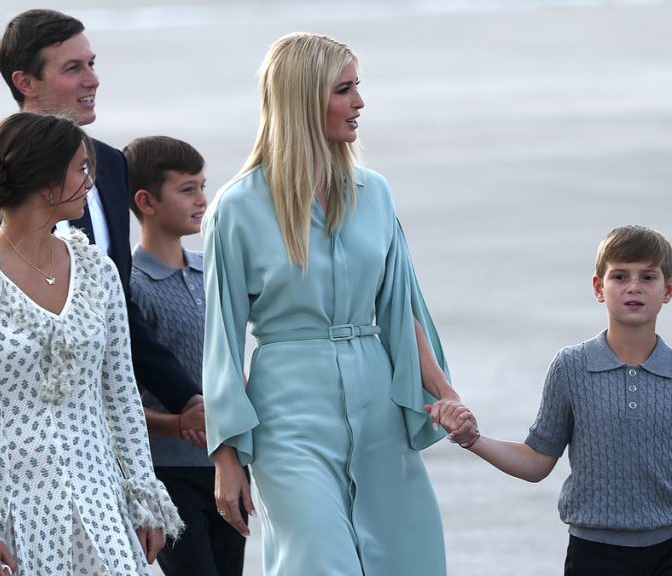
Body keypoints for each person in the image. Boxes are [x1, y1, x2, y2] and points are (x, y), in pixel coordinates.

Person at [202, 32, 472, 575]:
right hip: (287, 412)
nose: (360, 103)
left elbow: (402, 312)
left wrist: (446, 395)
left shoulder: (376, 194)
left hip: (378, 407)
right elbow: (222, 342)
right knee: (317, 561)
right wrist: (227, 457)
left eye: (358, 88)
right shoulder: (236, 208)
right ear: (304, 101)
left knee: (405, 560)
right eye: (344, 90)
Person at [0, 112, 184, 576]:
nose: (91, 182)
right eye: (81, 169)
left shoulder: (97, 271)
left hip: (100, 503)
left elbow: (121, 393)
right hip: (14, 511)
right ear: (48, 183)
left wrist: (142, 493)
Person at [0, 8, 202, 417]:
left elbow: (117, 305)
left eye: (91, 64)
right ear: (26, 82)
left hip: (110, 415)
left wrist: (185, 397)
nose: (92, 79)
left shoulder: (111, 165)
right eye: (73, 68)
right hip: (25, 423)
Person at [436, 225, 672, 576]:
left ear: (669, 289)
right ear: (598, 288)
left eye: (648, 276)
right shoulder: (571, 368)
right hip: (595, 554)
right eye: (620, 276)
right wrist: (473, 439)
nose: (633, 286)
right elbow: (537, 461)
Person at [123, 135, 248, 576]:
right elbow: (117, 401)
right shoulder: (129, 286)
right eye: (187, 189)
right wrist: (178, 424)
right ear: (146, 201)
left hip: (226, 465)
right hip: (166, 475)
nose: (202, 200)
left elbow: (233, 366)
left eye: (202, 185)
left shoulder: (211, 272)